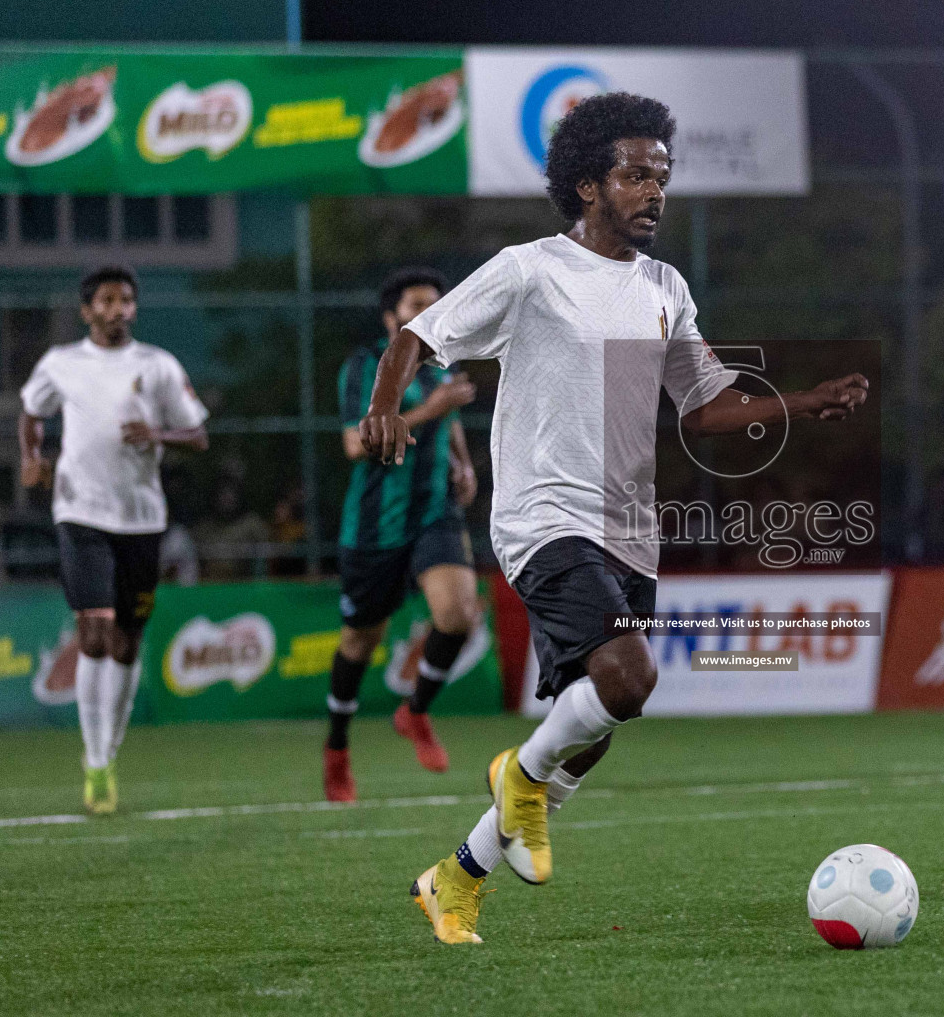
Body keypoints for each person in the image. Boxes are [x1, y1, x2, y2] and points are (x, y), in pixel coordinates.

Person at [356, 94, 869, 943]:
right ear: (588, 185)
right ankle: (517, 776)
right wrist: (384, 407)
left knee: (594, 726)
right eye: (636, 175)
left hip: (631, 526)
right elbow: (417, 336)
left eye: (662, 176)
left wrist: (800, 402)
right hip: (543, 514)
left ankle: (455, 877)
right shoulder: (530, 271)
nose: (654, 191)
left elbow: (702, 409)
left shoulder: (666, 285)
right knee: (628, 680)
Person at [17, 265, 208, 814]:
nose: (118, 308)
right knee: (95, 632)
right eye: (107, 300)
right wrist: (32, 459)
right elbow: (32, 410)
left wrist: (160, 434)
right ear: (87, 310)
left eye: (126, 300)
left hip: (142, 520)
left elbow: (197, 433)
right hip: (80, 513)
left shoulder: (157, 365)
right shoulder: (62, 363)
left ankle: (108, 749)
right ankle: (96, 761)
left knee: (126, 643)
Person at [321, 267, 481, 803]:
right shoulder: (365, 366)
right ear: (390, 316)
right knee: (359, 643)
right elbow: (351, 445)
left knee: (458, 614)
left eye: (435, 303)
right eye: (416, 305)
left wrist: (464, 465)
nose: (429, 312)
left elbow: (450, 422)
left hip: (434, 511)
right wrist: (433, 409)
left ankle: (415, 713)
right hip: (374, 526)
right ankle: (337, 750)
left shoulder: (440, 363)